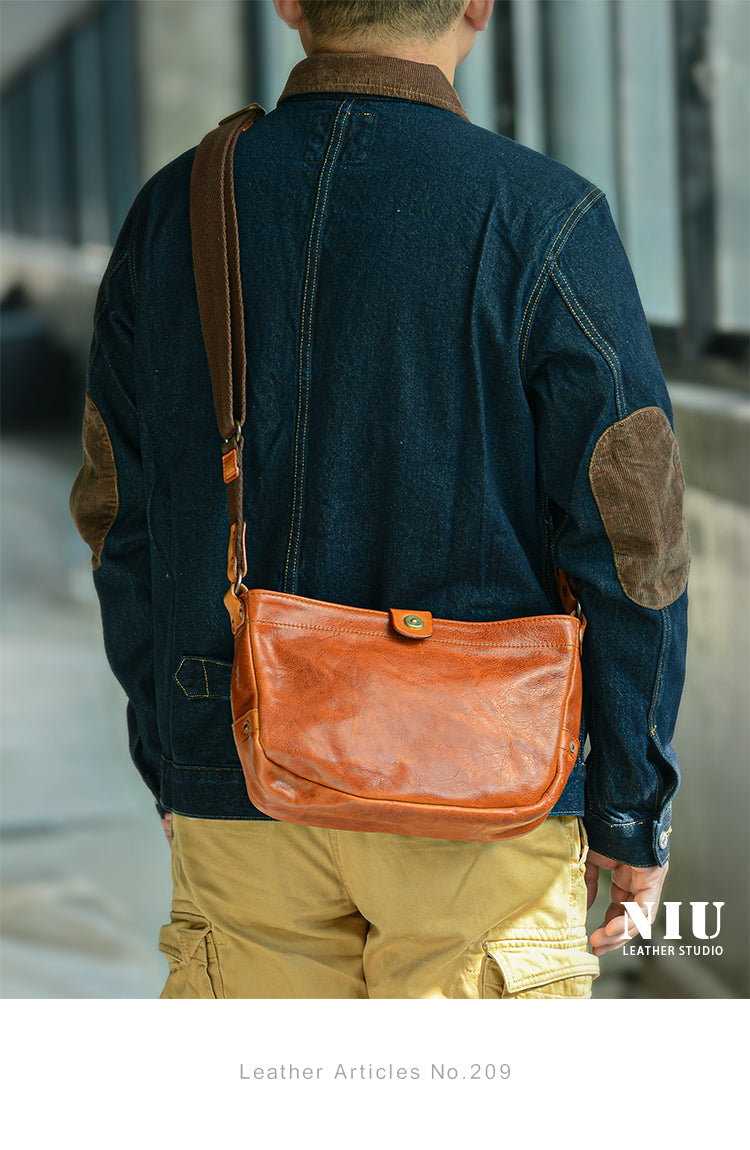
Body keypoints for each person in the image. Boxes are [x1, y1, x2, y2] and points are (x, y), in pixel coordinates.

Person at [70, 0, 689, 999]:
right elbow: (634, 533)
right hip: (485, 785)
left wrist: (175, 755)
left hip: (242, 766)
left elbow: (117, 514)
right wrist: (630, 801)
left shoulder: (175, 210)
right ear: (479, 4)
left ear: (288, 3)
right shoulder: (545, 215)